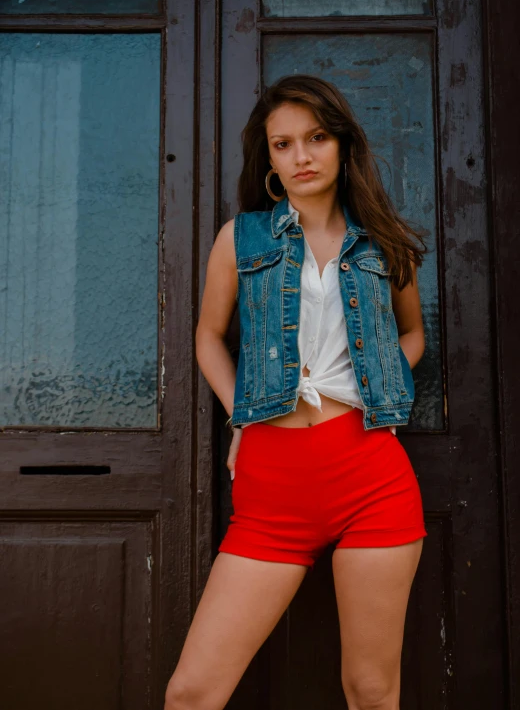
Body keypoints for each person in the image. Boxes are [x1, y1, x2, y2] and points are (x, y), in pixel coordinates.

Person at [164, 74, 429, 710]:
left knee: (370, 689)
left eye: (314, 138)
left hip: (371, 473)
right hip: (272, 485)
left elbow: (413, 334)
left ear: (342, 146)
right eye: (283, 145)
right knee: (192, 692)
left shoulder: (382, 241)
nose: (301, 156)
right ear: (269, 159)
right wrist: (242, 415)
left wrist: (383, 390)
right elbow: (208, 337)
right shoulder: (242, 237)